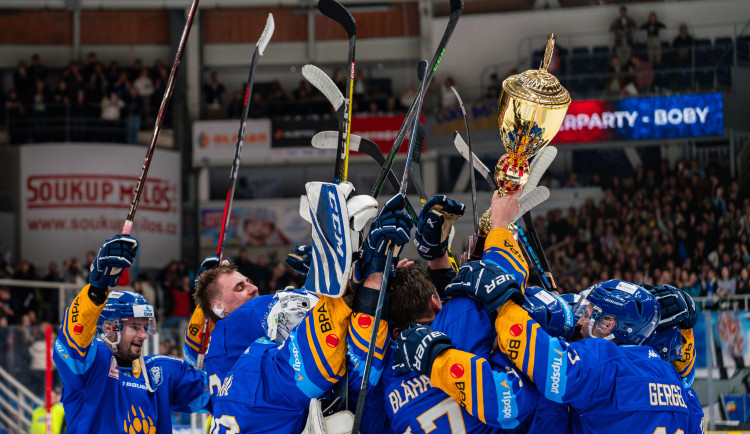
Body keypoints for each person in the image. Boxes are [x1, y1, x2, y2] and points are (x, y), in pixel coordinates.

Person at [394, 191, 703, 433]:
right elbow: (682, 376)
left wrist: (504, 303)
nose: (581, 316)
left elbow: (546, 367)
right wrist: (685, 333)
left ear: (610, 324)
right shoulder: (673, 380)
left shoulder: (603, 362)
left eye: (590, 312)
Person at [187, 183, 395, 433]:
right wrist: (329, 282)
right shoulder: (238, 325)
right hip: (264, 406)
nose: (252, 288)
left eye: (249, 281)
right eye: (239, 288)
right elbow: (294, 313)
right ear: (220, 309)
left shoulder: (224, 358)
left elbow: (194, 362)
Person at [52, 235, 210, 433]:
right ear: (109, 329)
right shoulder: (95, 363)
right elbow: (73, 345)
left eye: (145, 327)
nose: (144, 335)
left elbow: (217, 390)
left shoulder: (159, 373)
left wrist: (209, 309)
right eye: (135, 326)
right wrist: (96, 291)